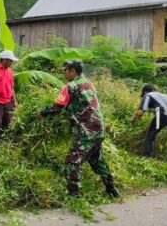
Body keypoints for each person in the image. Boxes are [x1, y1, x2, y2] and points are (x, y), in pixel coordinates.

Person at [36, 60, 119, 199]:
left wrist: (42, 113)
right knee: (97, 160)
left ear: (72, 71)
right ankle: (112, 190)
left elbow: (57, 107)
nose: (64, 73)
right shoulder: (89, 83)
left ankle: (75, 195)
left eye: (65, 70)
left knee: (72, 161)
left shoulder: (71, 86)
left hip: (86, 131)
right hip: (99, 129)